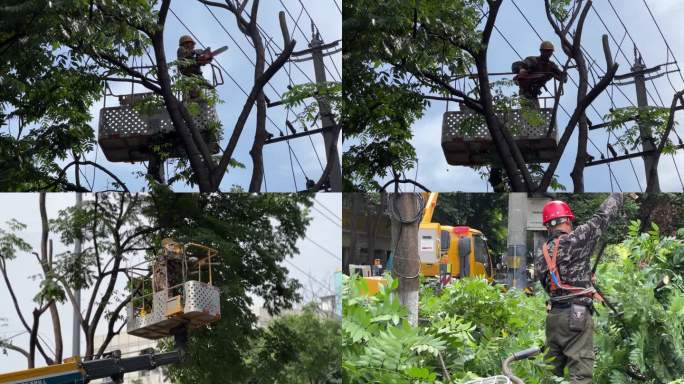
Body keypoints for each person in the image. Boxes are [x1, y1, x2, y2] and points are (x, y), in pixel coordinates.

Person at [534, 194, 625, 383]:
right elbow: (602, 216)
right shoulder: (575, 240)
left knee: (551, 373)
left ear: (547, 226)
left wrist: (581, 280)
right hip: (576, 316)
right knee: (580, 375)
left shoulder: (541, 254)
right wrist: (619, 195)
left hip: (554, 318)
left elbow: (550, 286)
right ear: (567, 220)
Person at [512, 41, 566, 106]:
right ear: (541, 51)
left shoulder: (551, 66)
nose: (548, 53)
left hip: (534, 93)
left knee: (536, 113)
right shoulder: (533, 60)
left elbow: (563, 79)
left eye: (550, 52)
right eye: (546, 51)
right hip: (526, 90)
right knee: (530, 111)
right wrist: (521, 69)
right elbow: (516, 65)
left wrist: (562, 75)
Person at [176, 35, 213, 99]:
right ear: (186, 43)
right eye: (192, 44)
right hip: (187, 72)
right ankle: (192, 97)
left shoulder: (192, 55)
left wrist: (206, 59)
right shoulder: (181, 49)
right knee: (193, 88)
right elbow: (185, 56)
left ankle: (201, 85)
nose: (193, 46)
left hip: (196, 74)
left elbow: (197, 62)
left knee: (207, 88)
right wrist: (194, 52)